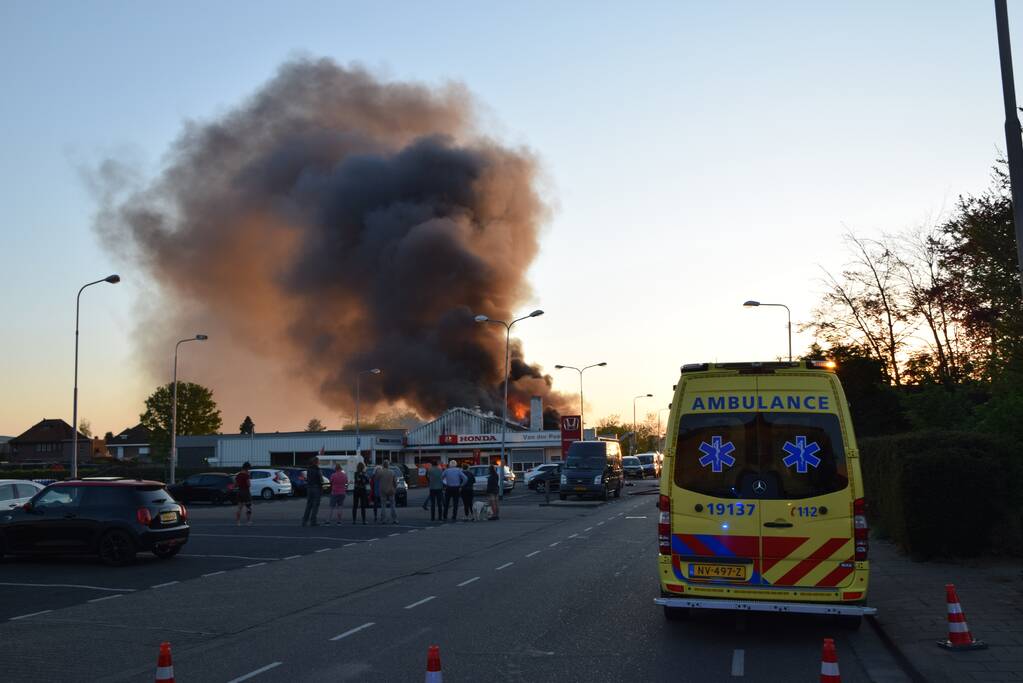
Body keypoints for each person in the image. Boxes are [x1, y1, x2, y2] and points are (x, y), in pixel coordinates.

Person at [302, 455, 323, 527]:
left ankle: (304, 521)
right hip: (316, 488)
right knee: (315, 505)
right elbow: (321, 480)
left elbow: (308, 479)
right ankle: (313, 521)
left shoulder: (309, 469)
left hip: (309, 488)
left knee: (309, 505)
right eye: (318, 461)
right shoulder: (318, 469)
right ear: (317, 462)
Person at [235, 461, 252, 526]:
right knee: (248, 507)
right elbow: (249, 484)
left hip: (239, 491)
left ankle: (238, 522)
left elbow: (236, 484)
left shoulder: (238, 475)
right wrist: (248, 477)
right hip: (246, 492)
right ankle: (248, 521)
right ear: (247, 468)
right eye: (249, 468)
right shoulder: (246, 475)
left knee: (239, 508)